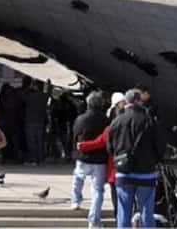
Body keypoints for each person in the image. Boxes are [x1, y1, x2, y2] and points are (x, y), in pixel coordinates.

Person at [107, 89, 163, 228]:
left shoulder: (116, 121)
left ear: (126, 102)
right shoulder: (148, 121)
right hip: (146, 172)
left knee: (123, 211)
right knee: (146, 210)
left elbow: (110, 148)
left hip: (124, 172)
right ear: (139, 101)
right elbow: (160, 146)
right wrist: (155, 160)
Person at [78, 92, 126, 221]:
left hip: (116, 169)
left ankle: (120, 221)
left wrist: (82, 146)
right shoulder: (135, 125)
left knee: (118, 199)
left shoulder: (111, 127)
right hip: (136, 168)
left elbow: (99, 142)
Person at [70, 91, 107, 228]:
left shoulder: (81, 119)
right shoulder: (105, 120)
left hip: (83, 156)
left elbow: (75, 135)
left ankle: (75, 200)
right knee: (97, 190)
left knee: (78, 178)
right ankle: (93, 220)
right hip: (100, 159)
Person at [23, 80, 48, 166]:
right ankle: (40, 159)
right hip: (40, 122)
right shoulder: (44, 97)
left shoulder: (29, 96)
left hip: (30, 122)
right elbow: (49, 92)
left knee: (31, 142)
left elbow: (22, 95)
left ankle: (33, 159)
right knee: (40, 142)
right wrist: (49, 84)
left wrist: (29, 87)